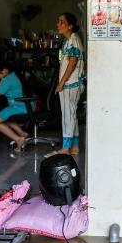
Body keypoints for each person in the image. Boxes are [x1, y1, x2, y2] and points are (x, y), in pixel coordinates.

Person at [54, 12, 85, 155]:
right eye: (58, 22)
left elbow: (72, 64)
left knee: (68, 115)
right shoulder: (69, 40)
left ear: (70, 26)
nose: (58, 25)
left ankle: (66, 147)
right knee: (71, 114)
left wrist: (61, 83)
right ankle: (75, 146)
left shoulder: (73, 39)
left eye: (62, 22)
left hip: (71, 84)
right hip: (71, 83)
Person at [0, 60, 28, 152]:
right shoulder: (14, 75)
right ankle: (22, 133)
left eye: (0, 73)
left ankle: (18, 139)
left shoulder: (8, 79)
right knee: (3, 118)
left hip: (18, 106)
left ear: (6, 70)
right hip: (25, 105)